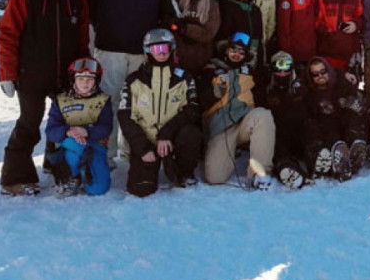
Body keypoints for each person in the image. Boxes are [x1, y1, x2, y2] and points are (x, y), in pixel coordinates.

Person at [0, 0, 90, 196]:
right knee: (30, 123)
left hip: (66, 74)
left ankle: (56, 163)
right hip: (32, 74)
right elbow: (8, 35)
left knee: (64, 121)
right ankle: (15, 178)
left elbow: (82, 40)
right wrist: (7, 73)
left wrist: (85, 72)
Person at [80, 0, 171, 161]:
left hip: (142, 51)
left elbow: (165, 5)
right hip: (111, 47)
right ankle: (104, 153)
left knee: (139, 103)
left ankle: (133, 151)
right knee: (109, 100)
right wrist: (96, 26)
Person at [118, 29, 203, 197]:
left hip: (172, 138)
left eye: (165, 48)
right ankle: (149, 164)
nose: (162, 53)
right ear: (148, 51)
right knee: (140, 189)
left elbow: (192, 110)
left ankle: (184, 171)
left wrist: (167, 133)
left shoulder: (184, 77)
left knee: (191, 133)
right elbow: (125, 116)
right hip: (146, 140)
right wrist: (142, 148)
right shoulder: (134, 80)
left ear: (172, 49)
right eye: (157, 49)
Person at [198, 32, 275, 189]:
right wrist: (213, 94)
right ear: (226, 50)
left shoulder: (250, 72)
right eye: (233, 49)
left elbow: (262, 95)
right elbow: (200, 101)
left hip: (244, 122)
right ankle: (227, 154)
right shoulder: (211, 69)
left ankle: (259, 174)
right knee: (215, 177)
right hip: (220, 126)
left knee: (263, 116)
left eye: (241, 52)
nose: (236, 54)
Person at [44, 58, 112, 197]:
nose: (85, 83)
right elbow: (51, 131)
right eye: (80, 79)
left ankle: (86, 173)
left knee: (98, 189)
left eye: (90, 79)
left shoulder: (103, 100)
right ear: (73, 80)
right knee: (77, 143)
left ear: (96, 80)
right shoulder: (61, 100)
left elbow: (106, 127)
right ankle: (71, 177)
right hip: (70, 146)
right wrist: (68, 132)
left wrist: (87, 131)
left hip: (95, 146)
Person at [301, 57, 369, 182]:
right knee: (322, 125)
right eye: (315, 74)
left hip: (346, 125)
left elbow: (356, 100)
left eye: (323, 72)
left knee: (353, 114)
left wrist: (349, 102)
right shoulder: (309, 95)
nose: (320, 76)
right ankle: (338, 158)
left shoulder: (341, 83)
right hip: (328, 131)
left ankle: (357, 150)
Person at [160, 0, 221, 76]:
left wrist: (185, 28)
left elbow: (209, 33)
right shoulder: (179, 0)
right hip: (178, 59)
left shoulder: (212, 6)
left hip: (199, 59)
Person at [264, 51, 309, 189]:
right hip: (278, 136)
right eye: (279, 66)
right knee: (272, 137)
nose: (282, 71)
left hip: (298, 134)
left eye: (286, 66)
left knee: (310, 125)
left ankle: (317, 159)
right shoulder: (266, 88)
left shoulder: (301, 87)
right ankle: (286, 167)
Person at [315, 0, 364, 71]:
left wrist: (355, 25)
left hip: (349, 52)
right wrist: (330, 33)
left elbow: (362, 18)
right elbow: (317, 22)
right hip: (328, 51)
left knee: (348, 85)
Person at [217, 0, 264, 66]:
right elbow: (221, 33)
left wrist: (259, 59)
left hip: (251, 53)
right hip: (232, 53)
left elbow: (258, 36)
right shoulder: (225, 7)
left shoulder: (255, 10)